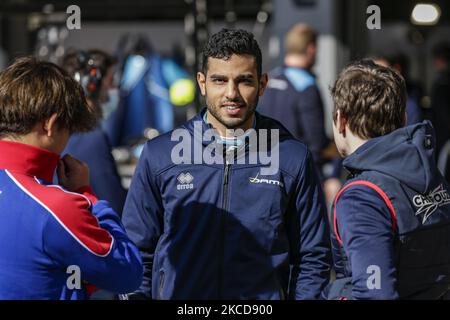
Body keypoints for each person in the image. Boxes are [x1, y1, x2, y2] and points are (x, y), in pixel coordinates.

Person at [122, 28, 331, 300]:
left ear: (263, 84)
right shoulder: (160, 155)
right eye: (220, 80)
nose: (232, 93)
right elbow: (136, 252)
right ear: (202, 82)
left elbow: (313, 256)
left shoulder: (291, 157)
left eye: (244, 81)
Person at [0, 57, 142, 299]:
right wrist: (86, 193)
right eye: (69, 129)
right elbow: (128, 272)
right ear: (50, 125)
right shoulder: (56, 207)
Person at [324, 60, 450, 300]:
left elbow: (375, 294)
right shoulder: (434, 177)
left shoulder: (361, 196)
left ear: (341, 120)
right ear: (403, 120)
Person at [258, 23, 341, 204]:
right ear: (311, 49)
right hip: (300, 175)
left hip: (266, 170)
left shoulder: (270, 81)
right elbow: (316, 142)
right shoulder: (306, 87)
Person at [61, 49, 127, 215]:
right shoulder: (90, 137)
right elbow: (113, 203)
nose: (113, 89)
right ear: (90, 84)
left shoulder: (67, 130)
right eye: (110, 81)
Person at [430, 43, 450, 156]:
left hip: (444, 139)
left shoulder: (443, 84)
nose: (435, 62)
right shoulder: (442, 81)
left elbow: (443, 116)